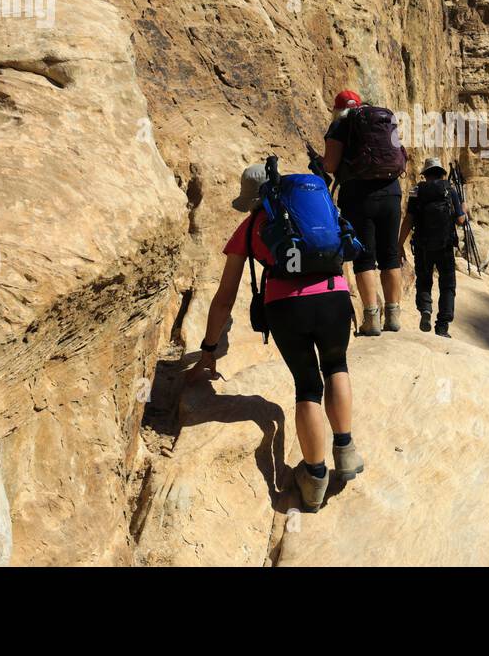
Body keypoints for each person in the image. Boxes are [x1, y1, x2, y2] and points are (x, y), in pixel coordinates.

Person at [190, 164, 363, 513]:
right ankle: (345, 453)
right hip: (334, 297)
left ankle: (314, 480)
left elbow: (225, 296)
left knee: (308, 386)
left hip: (287, 308)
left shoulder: (252, 225)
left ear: (254, 198)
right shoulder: (312, 214)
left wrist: (209, 348)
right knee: (336, 366)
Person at [322, 90, 407, 336]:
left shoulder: (340, 125)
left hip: (359, 196)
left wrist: (319, 159)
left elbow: (330, 165)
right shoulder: (381, 121)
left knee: (365, 256)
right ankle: (393, 315)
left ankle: (372, 319)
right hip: (391, 191)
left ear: (337, 109)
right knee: (390, 254)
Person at [399, 158, 466, 337]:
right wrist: (463, 210)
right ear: (441, 173)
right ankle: (442, 326)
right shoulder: (450, 189)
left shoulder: (416, 190)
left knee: (424, 279)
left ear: (425, 174)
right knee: (447, 285)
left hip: (422, 245)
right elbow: (460, 220)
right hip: (445, 245)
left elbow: (408, 219)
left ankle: (425, 309)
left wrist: (399, 244)